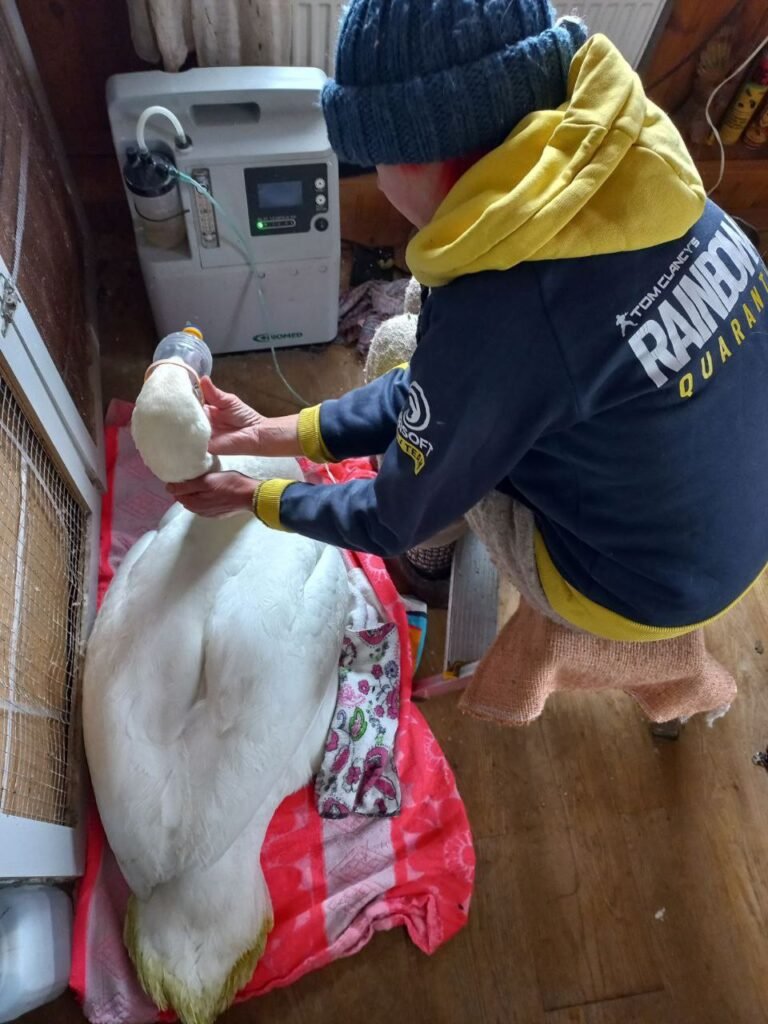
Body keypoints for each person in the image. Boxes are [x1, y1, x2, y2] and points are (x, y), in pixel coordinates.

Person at [169, 0, 768, 643]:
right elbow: (470, 380)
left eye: (374, 163)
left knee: (398, 343)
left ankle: (428, 571)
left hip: (637, 590)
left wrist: (252, 496)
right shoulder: (644, 163)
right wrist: (268, 434)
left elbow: (390, 516)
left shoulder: (502, 316)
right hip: (731, 514)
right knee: (430, 341)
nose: (379, 183)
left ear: (414, 160)